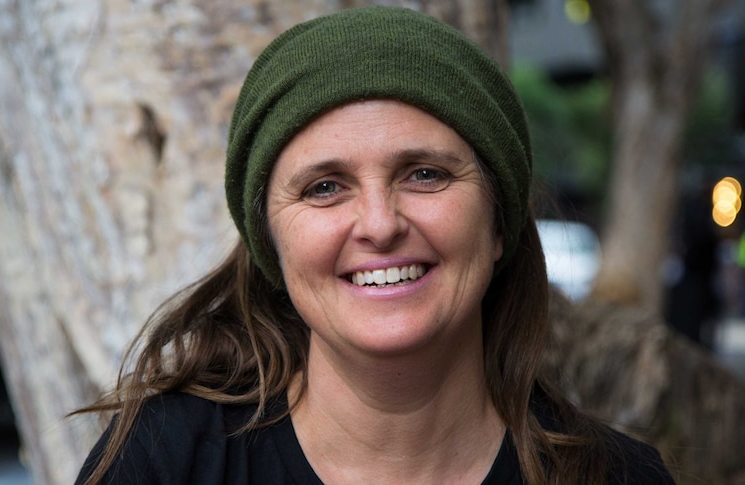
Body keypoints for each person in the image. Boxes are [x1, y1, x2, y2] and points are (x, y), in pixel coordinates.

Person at [76, 7, 675, 484]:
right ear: (271, 245)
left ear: (498, 225)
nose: (379, 224)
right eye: (325, 187)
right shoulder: (164, 460)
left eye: (424, 174)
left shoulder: (618, 477)